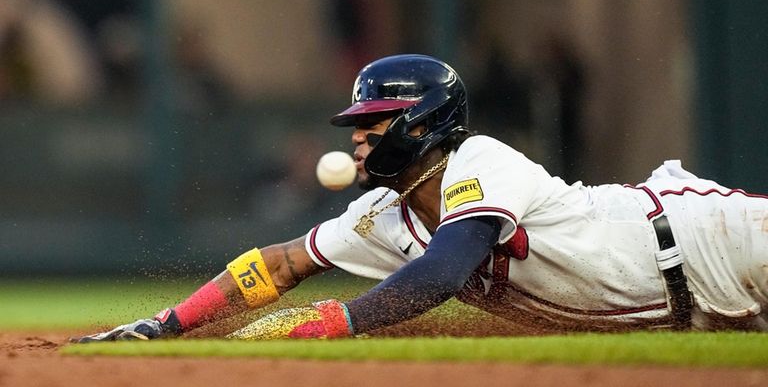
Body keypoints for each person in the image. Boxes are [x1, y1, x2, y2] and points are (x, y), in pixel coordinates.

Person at [74, 54, 768, 342]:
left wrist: (334, 320)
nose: (358, 139)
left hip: (705, 233)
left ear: (422, 120)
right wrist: (165, 323)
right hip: (686, 313)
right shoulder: (381, 214)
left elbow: (441, 273)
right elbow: (280, 264)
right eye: (356, 125)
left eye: (371, 123)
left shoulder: (480, 161)